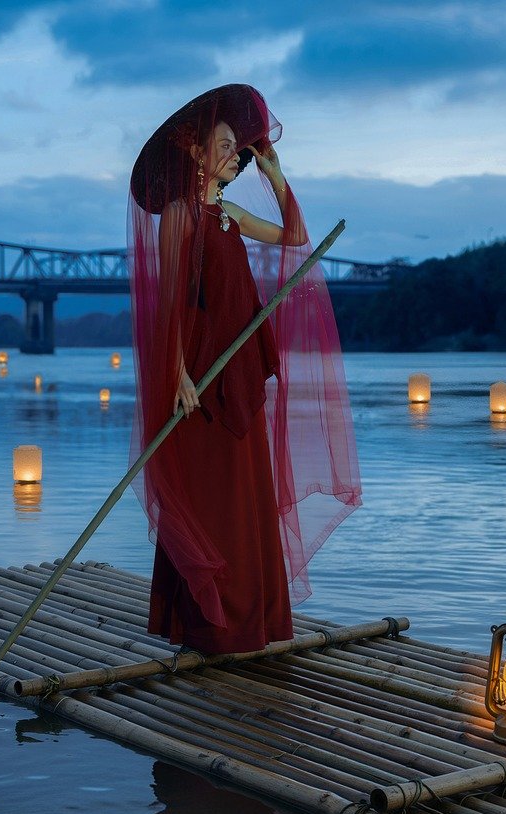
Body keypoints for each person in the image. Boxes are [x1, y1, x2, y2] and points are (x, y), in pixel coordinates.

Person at [128, 84, 361, 654]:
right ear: (195, 150)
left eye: (241, 147)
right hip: (202, 383)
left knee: (248, 498)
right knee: (214, 499)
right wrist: (178, 375)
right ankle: (208, 627)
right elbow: (171, 305)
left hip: (238, 376)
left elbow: (296, 239)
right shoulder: (179, 216)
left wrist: (276, 176)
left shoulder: (228, 213)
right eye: (228, 145)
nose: (238, 155)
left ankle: (251, 623)